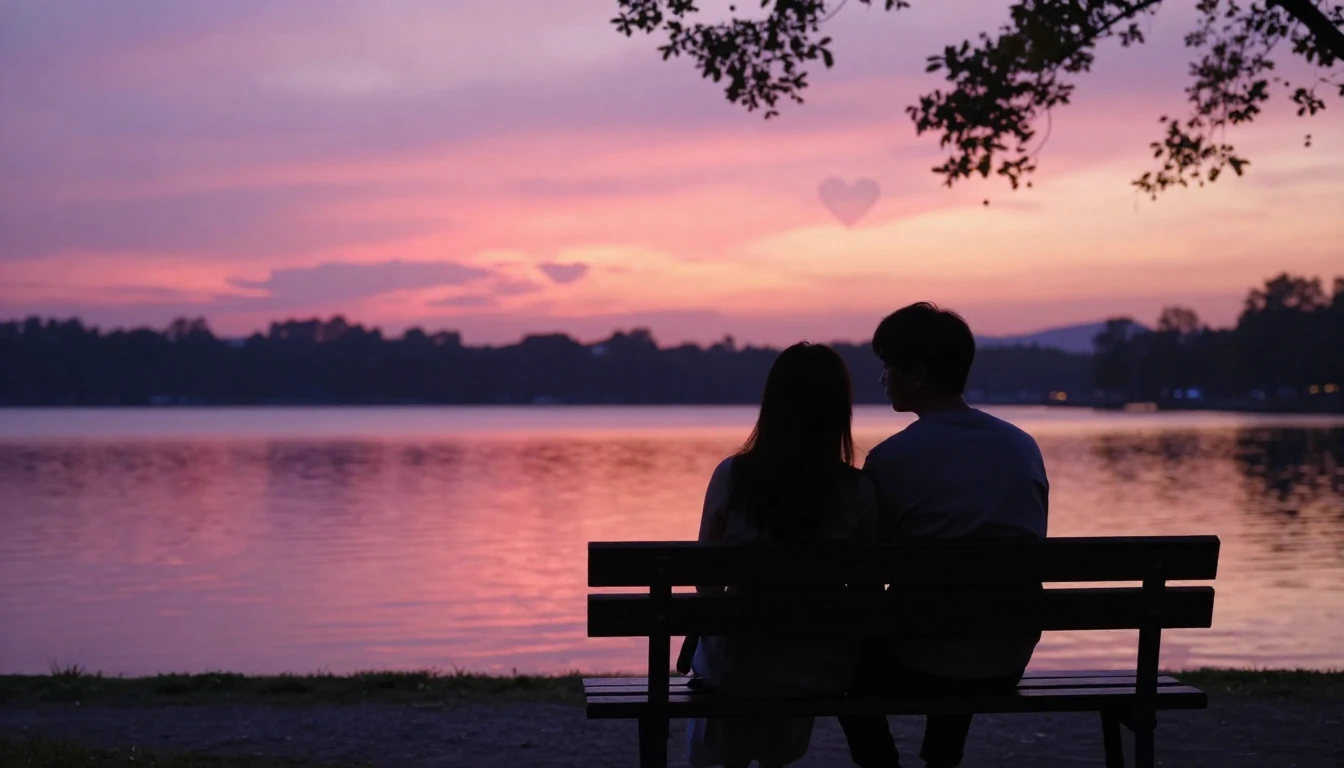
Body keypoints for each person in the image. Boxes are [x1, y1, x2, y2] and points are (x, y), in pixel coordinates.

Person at [838, 303, 1050, 768]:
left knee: (842, 668)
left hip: (923, 657)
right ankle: (942, 757)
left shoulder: (892, 460)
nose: (882, 379)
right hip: (1007, 655)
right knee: (966, 609)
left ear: (917, 375)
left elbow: (871, 577)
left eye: (888, 367)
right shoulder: (1020, 446)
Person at [686, 342, 878, 768]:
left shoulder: (733, 477)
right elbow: (867, 590)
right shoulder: (858, 491)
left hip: (735, 668)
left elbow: (704, 577)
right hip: (820, 669)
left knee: (739, 663)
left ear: (770, 405)